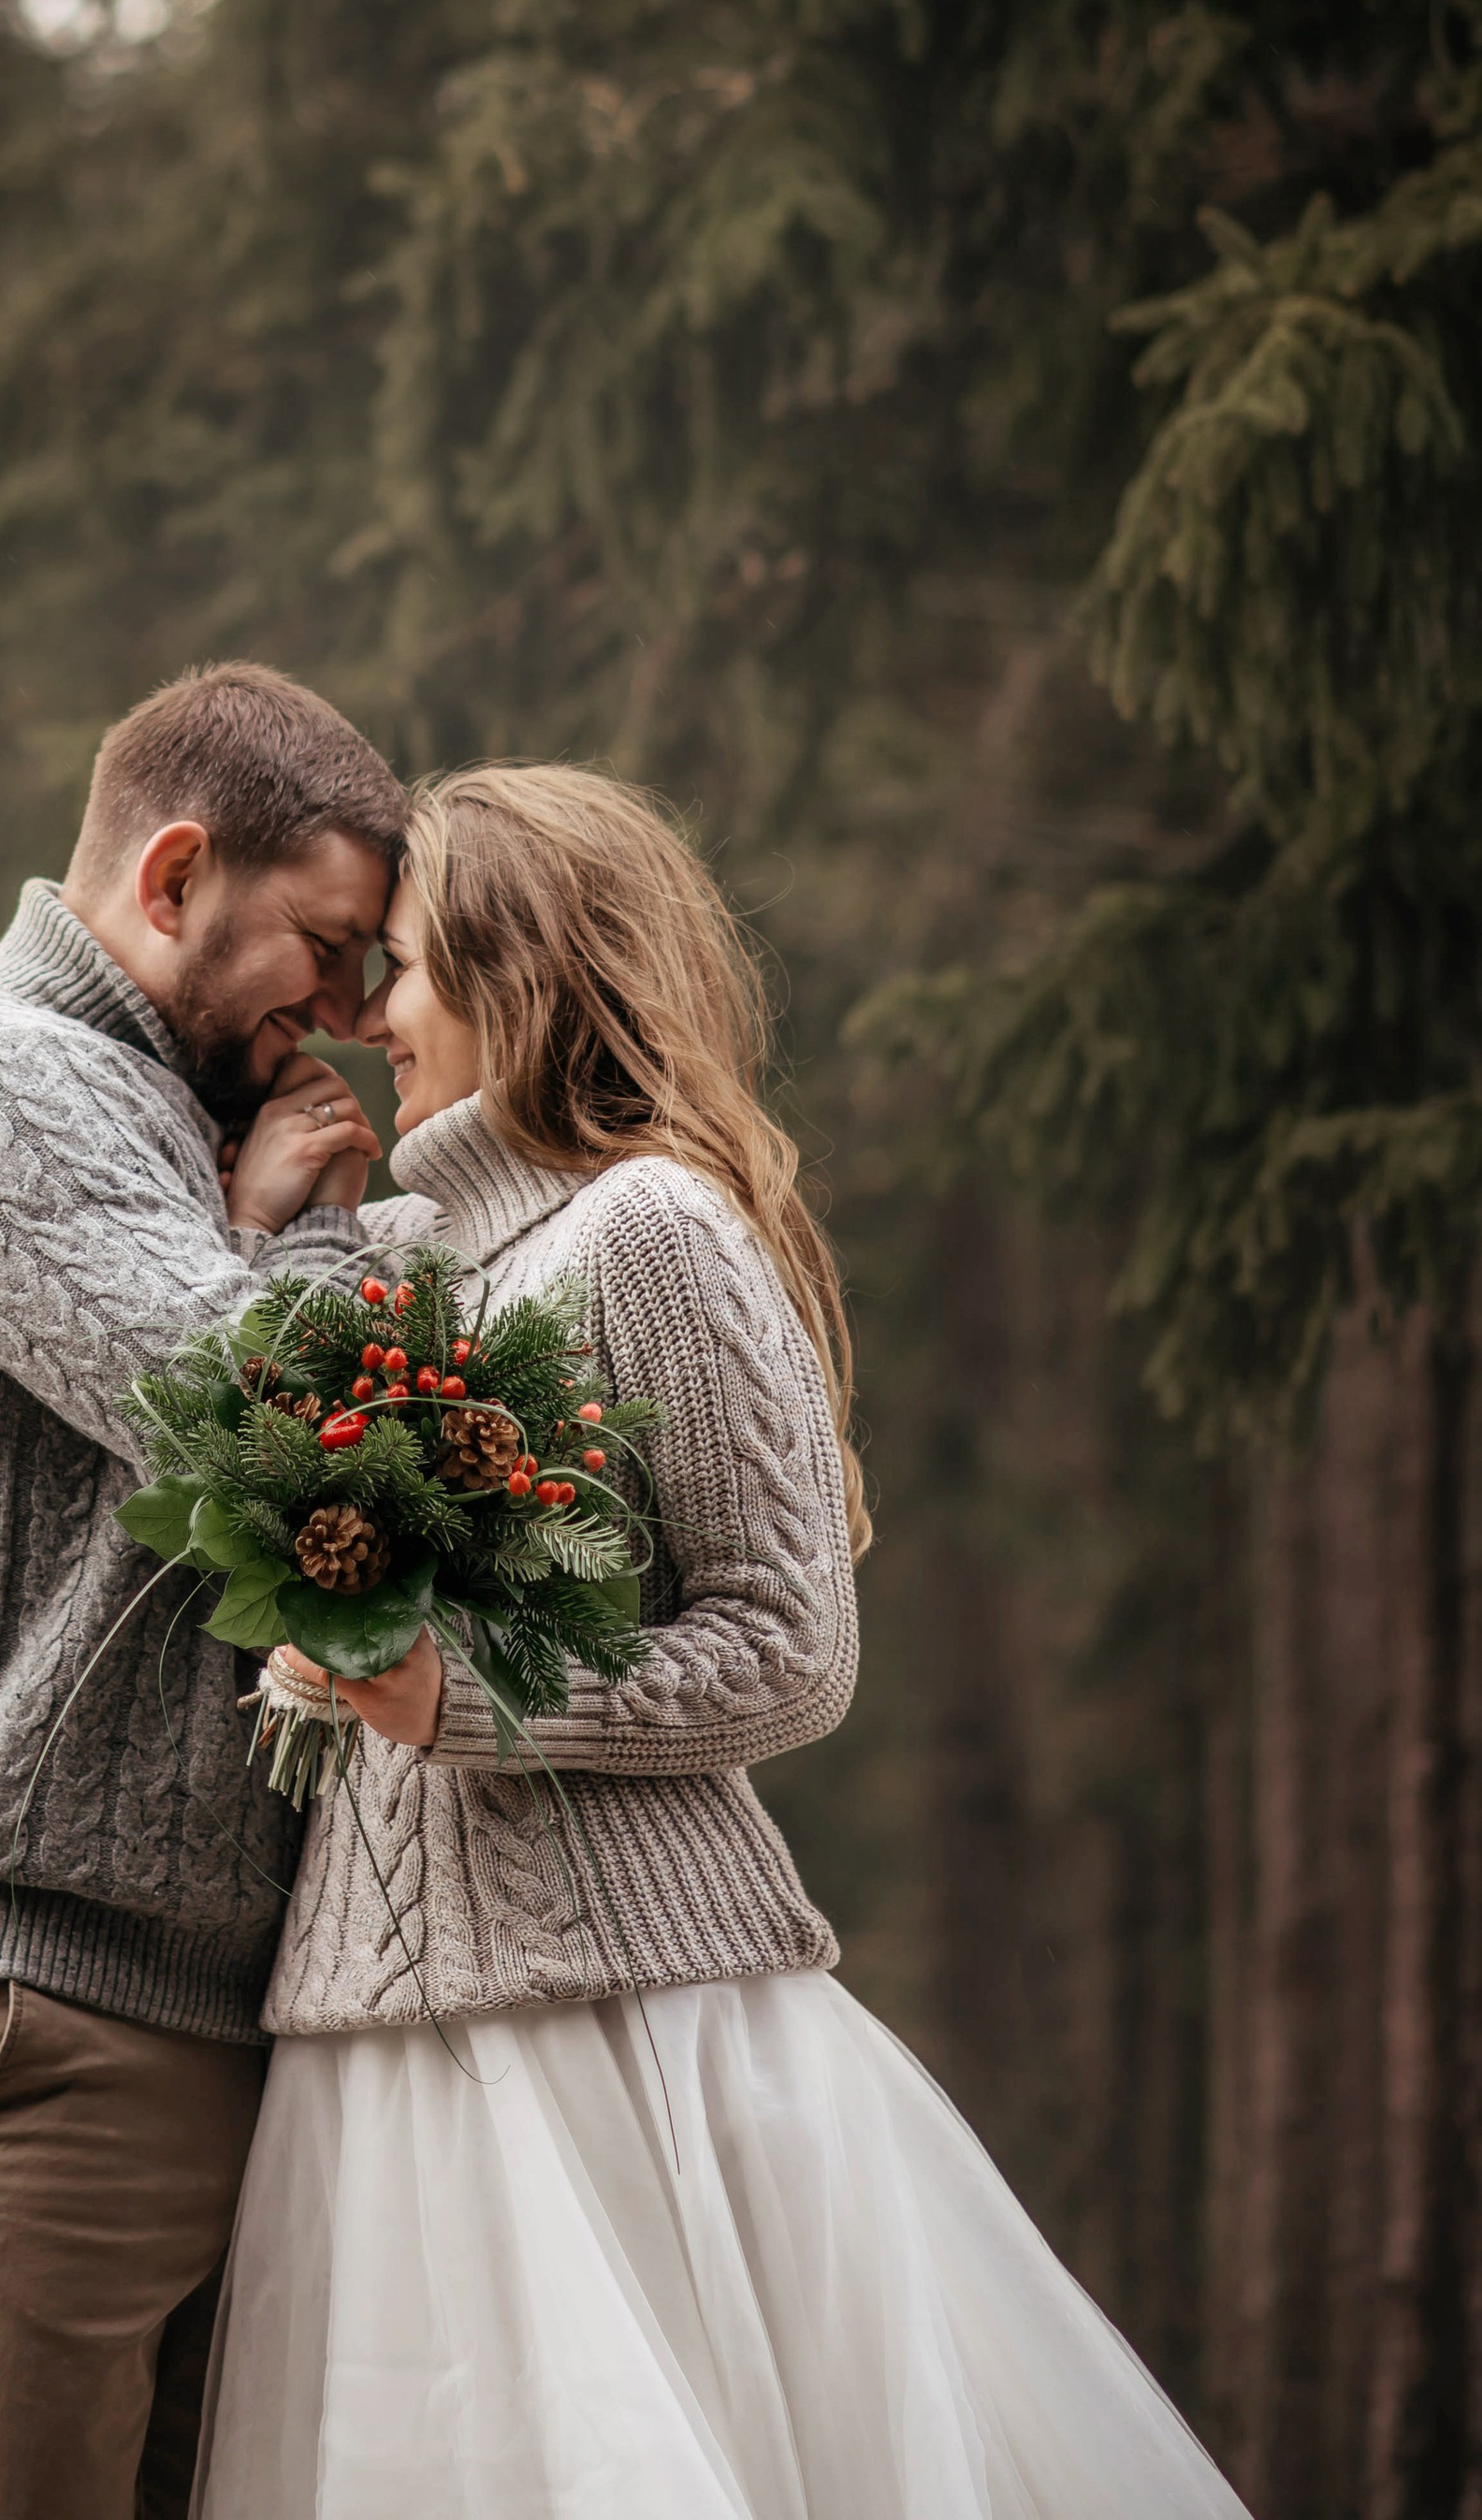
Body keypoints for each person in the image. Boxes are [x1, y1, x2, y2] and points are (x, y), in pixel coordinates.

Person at [193, 762, 1255, 2520]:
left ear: (513, 971)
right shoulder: (384, 1261)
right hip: (370, 2035)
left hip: (627, 2030)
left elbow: (789, 1646)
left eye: (402, 966)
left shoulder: (652, 1229)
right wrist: (250, 1243)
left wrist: (464, 1695)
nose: (371, 1015)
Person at [0, 662, 406, 2520]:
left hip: (191, 2022)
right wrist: (282, 1234)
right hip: (22, 2023)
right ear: (169, 875)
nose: (360, 1016)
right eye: (323, 947)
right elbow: (259, 1427)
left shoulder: (156, 1111)